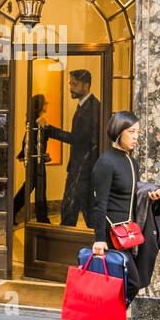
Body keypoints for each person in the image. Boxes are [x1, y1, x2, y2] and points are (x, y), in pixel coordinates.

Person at [86, 110, 160, 320]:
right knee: (130, 283)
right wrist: (99, 239)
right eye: (131, 132)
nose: (136, 137)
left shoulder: (130, 162)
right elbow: (100, 205)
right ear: (117, 132)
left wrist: (151, 195)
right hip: (111, 237)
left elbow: (134, 194)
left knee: (126, 286)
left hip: (129, 235)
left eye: (137, 132)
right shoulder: (105, 162)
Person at [41, 70, 100, 228]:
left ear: (86, 86)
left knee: (70, 210)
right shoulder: (86, 105)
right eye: (70, 84)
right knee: (85, 211)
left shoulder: (92, 108)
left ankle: (65, 245)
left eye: (75, 84)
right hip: (83, 167)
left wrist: (49, 129)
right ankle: (95, 242)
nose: (71, 88)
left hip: (83, 169)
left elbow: (78, 139)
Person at [13, 94, 50, 224]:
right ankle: (42, 218)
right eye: (45, 103)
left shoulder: (32, 120)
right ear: (40, 106)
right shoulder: (39, 120)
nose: (47, 105)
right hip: (37, 161)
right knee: (39, 188)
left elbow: (28, 139)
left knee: (28, 188)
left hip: (35, 159)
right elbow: (35, 141)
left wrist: (24, 153)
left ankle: (13, 211)